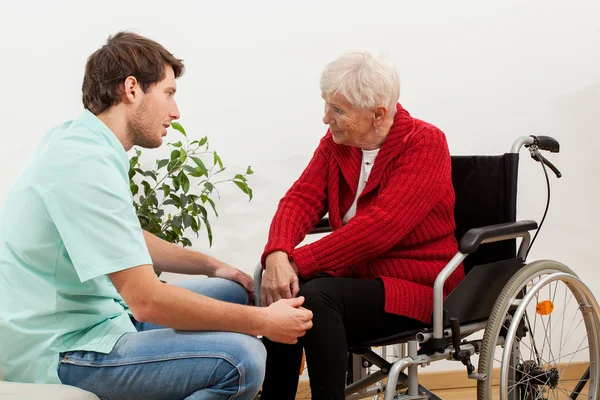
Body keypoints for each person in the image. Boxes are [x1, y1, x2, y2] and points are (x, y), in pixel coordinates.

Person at [0, 31, 312, 400]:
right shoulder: (83, 164)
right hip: (61, 347)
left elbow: (123, 235)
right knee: (242, 359)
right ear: (132, 89)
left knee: (232, 291)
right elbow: (145, 300)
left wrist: (211, 265)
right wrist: (264, 322)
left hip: (98, 314)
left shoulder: (83, 142)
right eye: (168, 93)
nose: (176, 112)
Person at [258, 51, 465, 399]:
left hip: (417, 284)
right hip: (357, 280)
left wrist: (297, 261)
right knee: (287, 293)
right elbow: (299, 200)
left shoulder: (424, 143)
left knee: (315, 297)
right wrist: (277, 254)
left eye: (338, 110)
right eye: (327, 105)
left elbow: (381, 227)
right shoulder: (339, 145)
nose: (326, 118)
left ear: (378, 114)